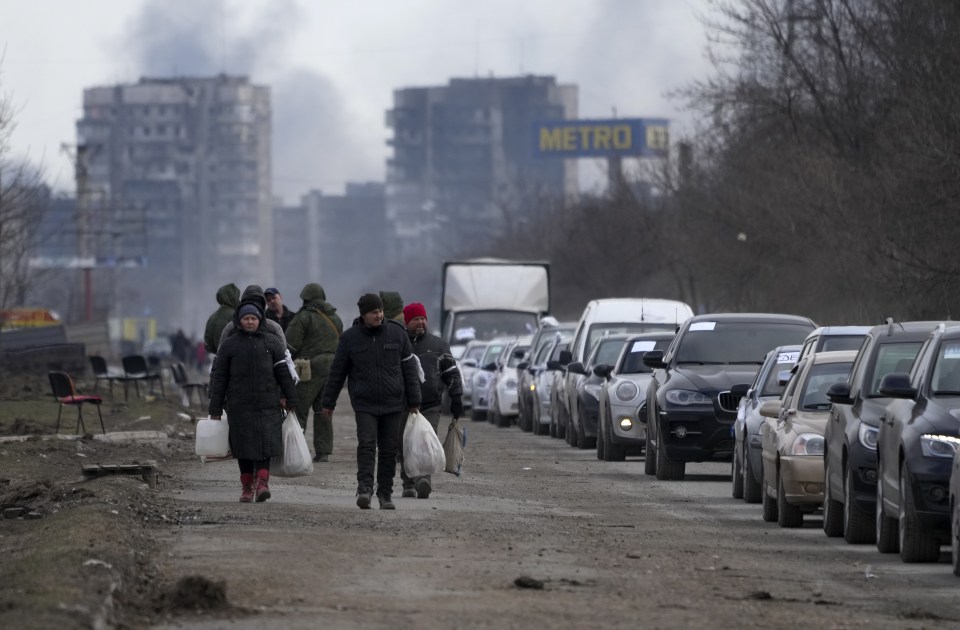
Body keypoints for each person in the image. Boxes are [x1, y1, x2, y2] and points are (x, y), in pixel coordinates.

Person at [320, 293, 421, 510]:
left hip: (393, 403)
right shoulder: (350, 339)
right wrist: (328, 403)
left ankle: (385, 493)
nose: (379, 315)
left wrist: (414, 400)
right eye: (374, 312)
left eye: (381, 311)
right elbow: (337, 373)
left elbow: (409, 370)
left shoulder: (397, 333)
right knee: (366, 445)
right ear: (364, 315)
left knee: (388, 449)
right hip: (365, 403)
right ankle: (364, 488)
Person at [208, 302, 298, 503]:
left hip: (268, 403)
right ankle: (247, 487)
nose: (250, 321)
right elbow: (220, 378)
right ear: (239, 321)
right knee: (243, 447)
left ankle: (262, 484)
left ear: (260, 320)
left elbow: (283, 373)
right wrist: (215, 408)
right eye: (246, 318)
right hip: (239, 405)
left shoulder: (272, 343)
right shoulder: (229, 346)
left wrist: (290, 397)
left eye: (254, 318)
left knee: (266, 444)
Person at [399, 302, 463, 499]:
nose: (420, 322)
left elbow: (451, 373)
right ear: (407, 322)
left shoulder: (439, 345)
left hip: (430, 405)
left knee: (426, 440)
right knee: (403, 443)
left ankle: (423, 479)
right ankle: (408, 482)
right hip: (402, 404)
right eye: (416, 319)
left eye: (423, 319)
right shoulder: (399, 343)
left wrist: (456, 397)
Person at [285, 283, 343, 462]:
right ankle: (323, 451)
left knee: (299, 409)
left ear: (305, 298)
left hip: (307, 369)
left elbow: (289, 345)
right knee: (323, 410)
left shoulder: (303, 318)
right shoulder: (336, 318)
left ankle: (296, 450)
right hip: (333, 367)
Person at [203, 283, 240, 354]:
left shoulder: (212, 317)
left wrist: (219, 352)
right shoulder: (236, 315)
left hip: (219, 358)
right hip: (235, 359)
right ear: (234, 297)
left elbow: (208, 344)